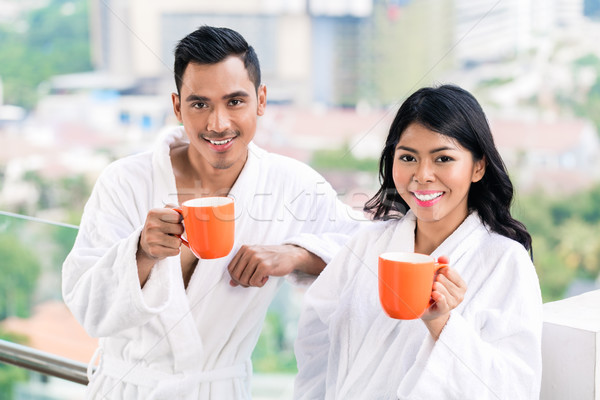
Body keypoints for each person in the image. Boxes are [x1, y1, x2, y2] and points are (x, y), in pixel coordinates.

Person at [62, 26, 363, 399]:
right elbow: (89, 310)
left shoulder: (292, 185)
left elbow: (365, 250)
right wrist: (141, 252)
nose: (218, 123)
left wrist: (298, 253)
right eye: (200, 104)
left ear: (262, 100)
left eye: (235, 101)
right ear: (177, 107)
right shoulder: (125, 182)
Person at [293, 85, 543, 399]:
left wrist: (442, 322)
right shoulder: (365, 246)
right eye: (408, 157)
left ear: (478, 167)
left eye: (443, 159)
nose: (423, 174)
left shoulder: (504, 262)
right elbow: (315, 344)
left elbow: (516, 388)